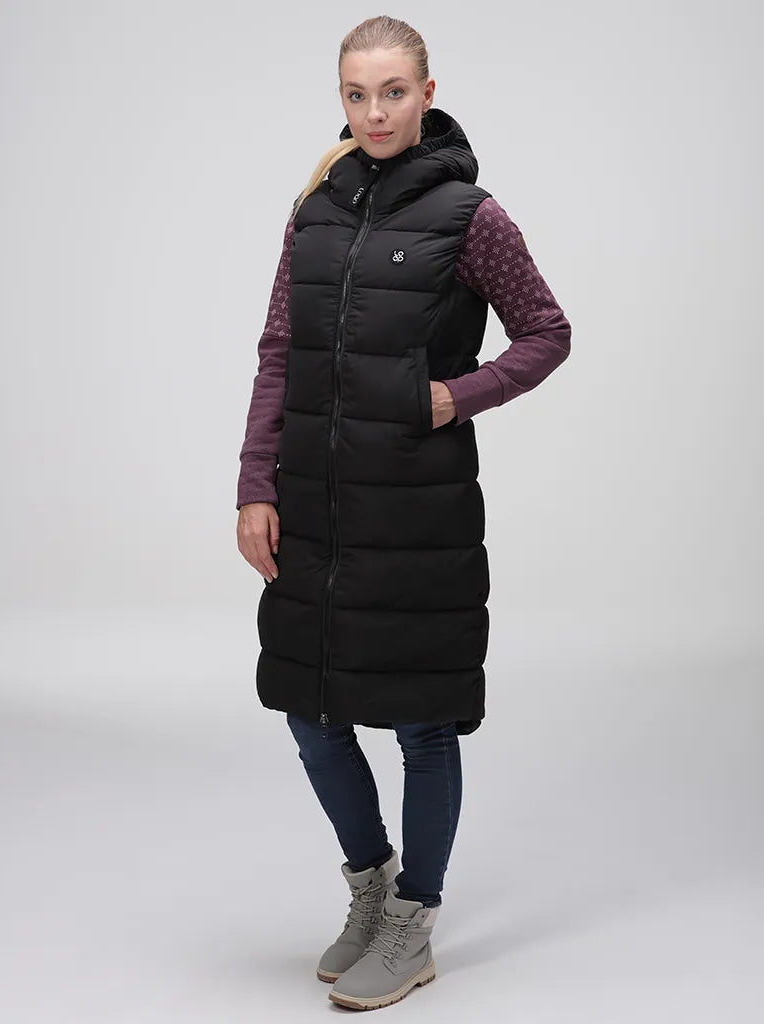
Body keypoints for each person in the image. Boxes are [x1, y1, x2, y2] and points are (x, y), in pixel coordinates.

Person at [235, 15, 571, 1011]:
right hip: (316, 502)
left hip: (419, 512)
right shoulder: (314, 210)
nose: (374, 112)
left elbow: (547, 332)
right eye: (356, 93)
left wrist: (455, 395)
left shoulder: (472, 216)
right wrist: (255, 484)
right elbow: (278, 353)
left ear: (428, 92)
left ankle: (414, 921)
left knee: (422, 724)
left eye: (392, 92)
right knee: (310, 708)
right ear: (341, 98)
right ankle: (371, 887)